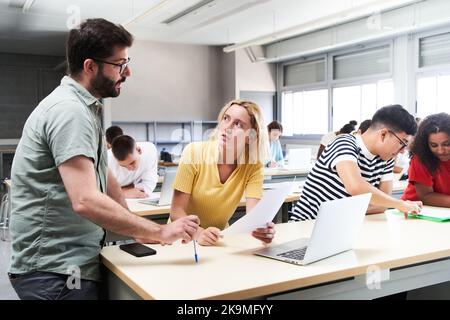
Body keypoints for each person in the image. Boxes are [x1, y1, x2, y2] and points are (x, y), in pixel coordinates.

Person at [8, 18, 199, 300]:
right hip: (55, 271)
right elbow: (85, 199)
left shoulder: (85, 107)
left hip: (68, 264)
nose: (128, 71)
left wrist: (139, 231)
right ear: (90, 66)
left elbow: (104, 175)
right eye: (119, 64)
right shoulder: (69, 111)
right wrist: (159, 231)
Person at [291, 105, 423, 221]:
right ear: (383, 134)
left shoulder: (386, 159)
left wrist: (342, 211)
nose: (402, 151)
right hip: (308, 225)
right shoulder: (344, 142)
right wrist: (399, 203)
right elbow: (356, 187)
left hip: (346, 226)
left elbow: (383, 203)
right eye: (402, 143)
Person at [170, 100, 275, 246]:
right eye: (226, 118)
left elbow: (254, 217)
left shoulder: (253, 166)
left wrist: (262, 230)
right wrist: (199, 233)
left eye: (238, 124)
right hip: (182, 239)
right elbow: (176, 211)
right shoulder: (193, 152)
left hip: (218, 241)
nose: (227, 127)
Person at [401, 113, 450, 206]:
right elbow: (426, 196)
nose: (440, 151)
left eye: (446, 144)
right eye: (434, 145)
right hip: (415, 211)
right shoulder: (420, 158)